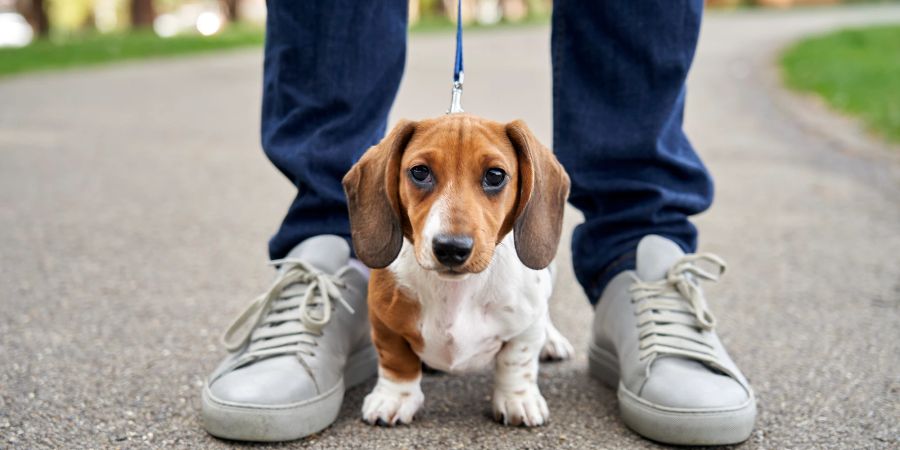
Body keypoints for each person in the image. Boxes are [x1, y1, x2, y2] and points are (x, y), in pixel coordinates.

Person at [200, 1, 756, 445]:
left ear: (527, 187)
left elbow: (529, 300)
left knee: (529, 316)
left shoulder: (524, 275)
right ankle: (331, 248)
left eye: (494, 178)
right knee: (378, 292)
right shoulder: (391, 279)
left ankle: (639, 246)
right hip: (392, 279)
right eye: (421, 175)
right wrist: (399, 378)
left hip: (517, 304)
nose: (454, 227)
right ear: (390, 179)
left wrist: (515, 380)